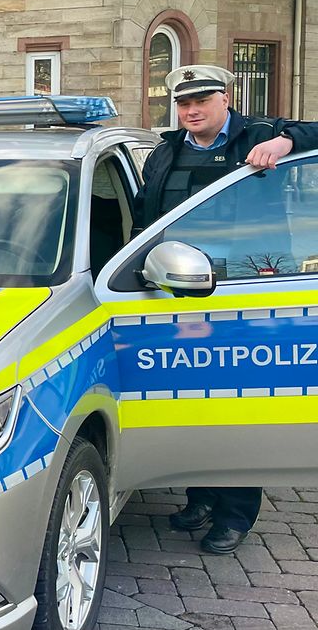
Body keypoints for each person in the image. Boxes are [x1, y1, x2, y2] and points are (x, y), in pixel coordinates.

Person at [136, 64, 318, 554]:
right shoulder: (166, 151)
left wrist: (286, 143)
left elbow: (315, 134)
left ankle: (235, 513)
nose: (191, 110)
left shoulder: (258, 136)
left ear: (225, 98)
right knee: (190, 398)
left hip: (241, 290)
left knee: (237, 404)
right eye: (183, 103)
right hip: (178, 290)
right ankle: (201, 496)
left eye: (202, 100)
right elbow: (145, 219)